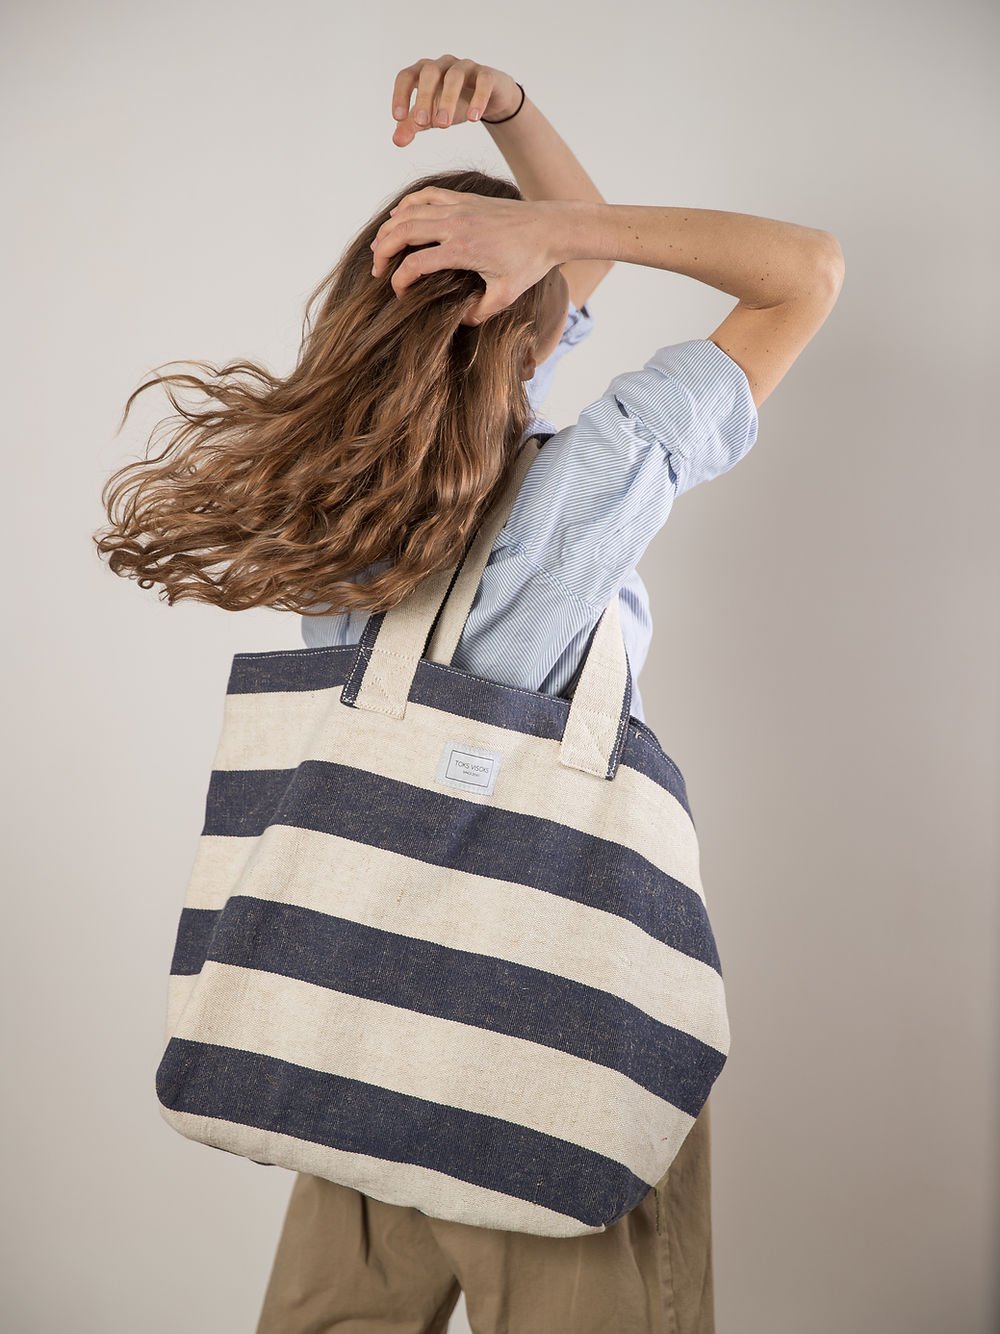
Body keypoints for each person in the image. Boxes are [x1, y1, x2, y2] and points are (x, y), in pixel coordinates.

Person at [94, 53, 843, 1334]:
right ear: (532, 320)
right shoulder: (581, 486)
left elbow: (559, 270)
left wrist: (513, 124)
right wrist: (548, 223)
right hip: (546, 1066)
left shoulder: (350, 497)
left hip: (353, 1034)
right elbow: (804, 273)